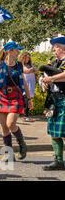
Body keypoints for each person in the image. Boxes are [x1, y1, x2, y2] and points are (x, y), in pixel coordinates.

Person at [0, 41, 33, 161]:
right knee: (4, 128)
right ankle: (9, 154)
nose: (18, 52)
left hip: (16, 96)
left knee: (10, 124)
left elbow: (24, 82)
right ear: (9, 51)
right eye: (16, 50)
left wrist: (29, 99)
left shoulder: (18, 65)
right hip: (2, 96)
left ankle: (22, 145)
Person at [40, 36, 65, 171]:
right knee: (54, 132)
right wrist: (44, 83)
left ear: (61, 47)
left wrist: (51, 78)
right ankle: (58, 161)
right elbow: (44, 78)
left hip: (64, 99)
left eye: (54, 47)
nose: (53, 49)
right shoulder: (53, 62)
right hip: (54, 100)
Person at [19, 51, 37, 121]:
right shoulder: (21, 65)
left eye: (29, 58)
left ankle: (26, 115)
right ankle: (24, 115)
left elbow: (36, 71)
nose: (28, 59)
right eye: (26, 58)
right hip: (26, 84)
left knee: (29, 99)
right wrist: (32, 69)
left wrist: (32, 70)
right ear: (23, 58)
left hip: (31, 83)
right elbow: (26, 71)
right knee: (26, 99)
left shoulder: (29, 65)